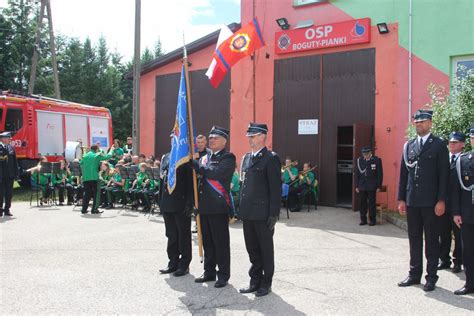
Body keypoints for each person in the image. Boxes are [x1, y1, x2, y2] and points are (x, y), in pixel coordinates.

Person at [397, 109, 449, 292]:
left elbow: (444, 176)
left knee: (432, 240)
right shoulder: (409, 146)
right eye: (416, 122)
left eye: (422, 121)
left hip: (431, 202)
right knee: (414, 238)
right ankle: (414, 274)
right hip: (412, 201)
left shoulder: (439, 145)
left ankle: (431, 277)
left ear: (430, 123)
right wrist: (401, 198)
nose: (418, 124)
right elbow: (404, 175)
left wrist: (441, 200)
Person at [239, 123, 282, 297]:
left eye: (253, 136)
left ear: (263, 136)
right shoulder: (247, 158)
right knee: (252, 250)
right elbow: (245, 185)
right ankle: (254, 281)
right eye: (249, 136)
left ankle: (266, 283)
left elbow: (275, 189)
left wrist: (273, 214)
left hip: (263, 214)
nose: (250, 139)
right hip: (248, 212)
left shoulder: (271, 158)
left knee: (265, 250)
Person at [192, 126, 235, 288]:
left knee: (220, 243)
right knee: (207, 242)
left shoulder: (228, 157)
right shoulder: (206, 158)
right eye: (210, 137)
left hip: (218, 207)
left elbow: (215, 173)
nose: (211, 140)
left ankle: (223, 274)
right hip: (204, 207)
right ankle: (209, 271)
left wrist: (196, 165)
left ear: (224, 141)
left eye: (215, 138)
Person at [159, 141, 193, 277]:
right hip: (167, 203)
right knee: (171, 235)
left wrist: (190, 203)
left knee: (183, 236)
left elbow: (191, 183)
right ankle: (172, 262)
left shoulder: (185, 157)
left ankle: (184, 265)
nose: (174, 141)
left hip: (181, 203)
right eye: (172, 138)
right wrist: (161, 201)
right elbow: (163, 181)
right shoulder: (166, 157)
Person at [451, 127, 474, 295]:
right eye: (473, 137)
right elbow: (456, 189)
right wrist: (456, 212)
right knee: (468, 251)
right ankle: (470, 284)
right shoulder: (463, 160)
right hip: (467, 215)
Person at [438, 131, 465, 273]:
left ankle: (457, 261)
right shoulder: (444, 159)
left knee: (459, 235)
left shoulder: (465, 160)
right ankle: (444, 260)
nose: (451, 145)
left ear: (462, 144)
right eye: (450, 142)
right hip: (443, 203)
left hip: (458, 205)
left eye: (455, 142)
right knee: (443, 233)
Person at [80, 145, 114, 214]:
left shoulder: (85, 156)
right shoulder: (97, 155)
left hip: (86, 178)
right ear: (96, 149)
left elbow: (81, 163)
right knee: (96, 194)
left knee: (86, 194)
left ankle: (84, 209)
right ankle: (94, 210)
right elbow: (108, 156)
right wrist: (112, 149)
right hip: (94, 178)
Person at [355, 146, 383, 226]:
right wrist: (357, 186)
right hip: (362, 185)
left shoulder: (376, 160)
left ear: (370, 153)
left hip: (372, 185)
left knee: (371, 204)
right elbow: (357, 174)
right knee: (362, 203)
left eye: (367, 154)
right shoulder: (360, 160)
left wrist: (379, 186)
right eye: (364, 154)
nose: (365, 156)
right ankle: (363, 220)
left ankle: (372, 220)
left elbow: (379, 174)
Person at [0, 132, 19, 216]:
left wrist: (16, 174)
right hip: (1, 175)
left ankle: (7, 209)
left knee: (9, 193)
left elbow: (15, 162)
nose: (10, 140)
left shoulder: (11, 148)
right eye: (8, 139)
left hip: (10, 175)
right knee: (1, 192)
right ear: (3, 139)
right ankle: (0, 209)